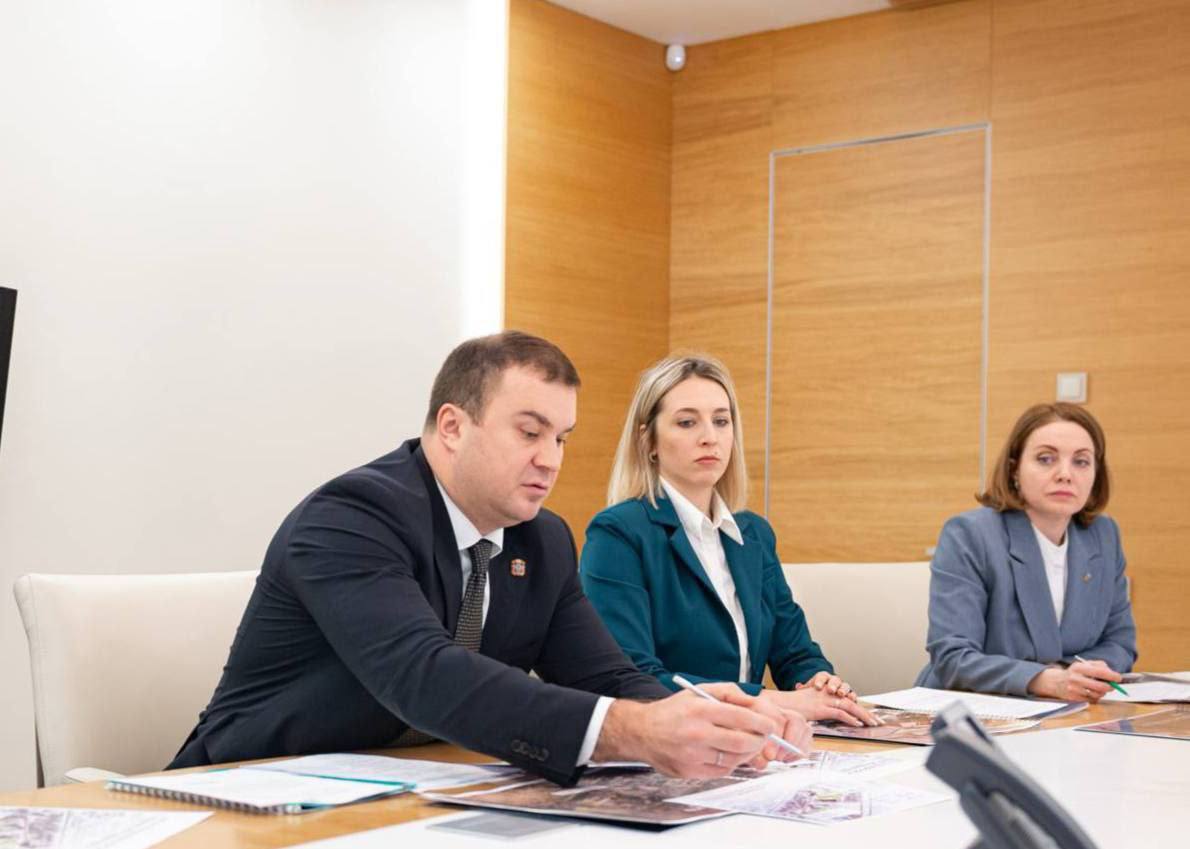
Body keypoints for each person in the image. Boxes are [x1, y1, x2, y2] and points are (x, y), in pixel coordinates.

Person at [170, 332, 810, 786]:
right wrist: (637, 731)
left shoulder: (544, 539)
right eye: (529, 432)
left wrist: (708, 722)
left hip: (412, 794)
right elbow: (424, 674)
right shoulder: (351, 516)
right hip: (246, 793)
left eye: (561, 438)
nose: (550, 460)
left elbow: (606, 679)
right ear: (452, 426)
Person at [580, 354, 877, 728]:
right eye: (687, 422)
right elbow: (633, 678)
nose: (710, 437)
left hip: (755, 741)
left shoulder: (753, 534)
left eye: (721, 421)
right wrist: (772, 701)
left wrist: (819, 683)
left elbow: (795, 653)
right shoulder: (618, 533)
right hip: (669, 741)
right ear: (648, 440)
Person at [916, 402, 1137, 700]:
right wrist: (1045, 680)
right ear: (1014, 470)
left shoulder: (1103, 535)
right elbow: (952, 657)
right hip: (969, 708)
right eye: (1046, 459)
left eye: (1081, 462)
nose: (1065, 474)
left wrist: (1068, 676)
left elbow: (1120, 644)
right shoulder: (970, 534)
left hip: (1066, 710)